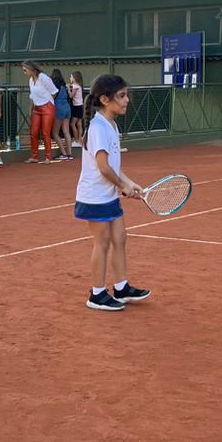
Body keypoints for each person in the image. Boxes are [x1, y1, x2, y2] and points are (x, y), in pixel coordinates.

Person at [75, 74, 150, 311]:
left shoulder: (110, 124)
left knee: (120, 238)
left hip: (108, 195)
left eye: (126, 95)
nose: (127, 100)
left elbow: (114, 166)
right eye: (122, 96)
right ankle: (97, 294)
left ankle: (121, 287)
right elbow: (103, 167)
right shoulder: (98, 127)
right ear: (105, 100)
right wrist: (122, 186)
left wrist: (129, 182)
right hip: (94, 196)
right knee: (103, 243)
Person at [22, 61, 58, 163]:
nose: (24, 72)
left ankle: (48, 157)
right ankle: (34, 156)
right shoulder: (30, 80)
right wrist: (31, 109)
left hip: (47, 107)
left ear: (31, 69)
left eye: (25, 70)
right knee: (33, 132)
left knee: (46, 132)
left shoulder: (43, 77)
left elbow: (54, 92)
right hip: (36, 108)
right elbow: (32, 96)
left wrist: (49, 102)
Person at [50, 68, 73, 160]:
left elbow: (52, 97)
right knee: (66, 131)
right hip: (67, 108)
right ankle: (69, 154)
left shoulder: (54, 86)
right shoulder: (64, 85)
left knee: (55, 132)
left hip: (59, 108)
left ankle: (63, 153)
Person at [68, 70, 84, 147]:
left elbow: (71, 96)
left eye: (71, 77)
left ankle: (77, 140)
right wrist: (70, 86)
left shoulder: (75, 86)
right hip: (80, 106)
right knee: (79, 124)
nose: (70, 78)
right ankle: (80, 140)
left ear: (74, 78)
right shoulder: (78, 85)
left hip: (77, 107)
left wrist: (68, 89)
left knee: (72, 124)